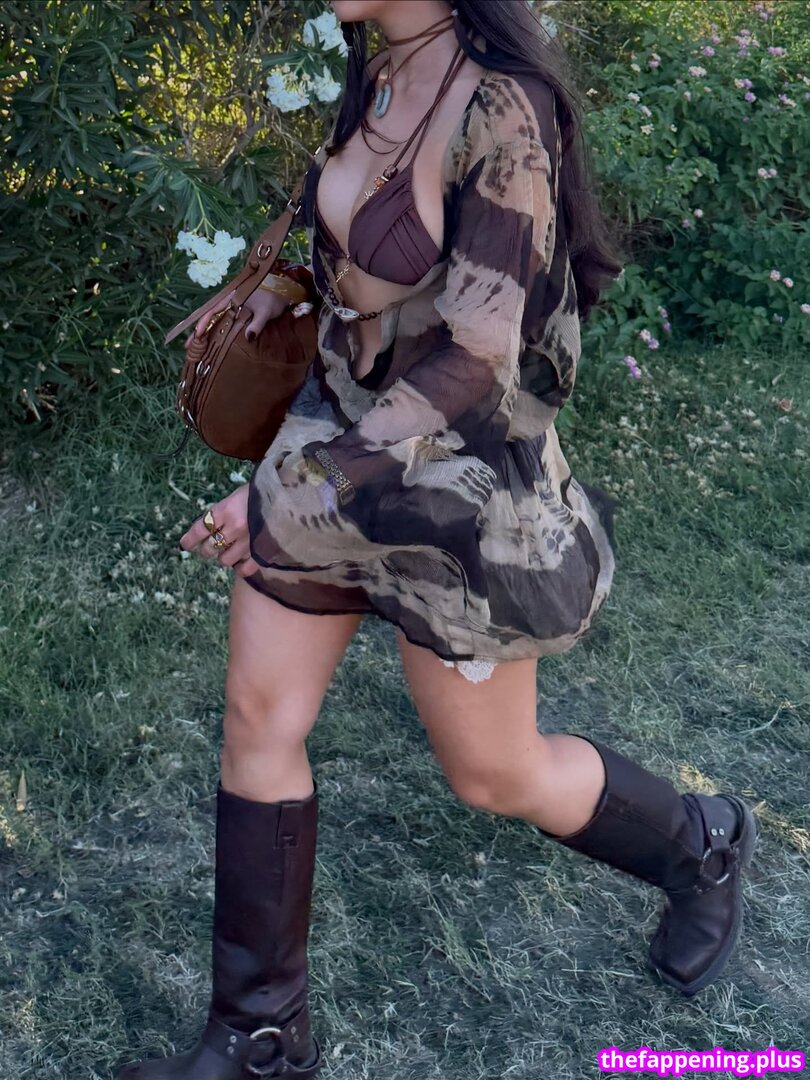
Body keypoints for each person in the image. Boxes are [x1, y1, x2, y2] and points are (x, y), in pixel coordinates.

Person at [116, 2, 757, 1077]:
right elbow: (372, 259)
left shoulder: (504, 113)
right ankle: (260, 1037)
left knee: (495, 774)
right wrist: (296, 297)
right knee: (260, 717)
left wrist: (299, 490)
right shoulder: (381, 68)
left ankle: (703, 845)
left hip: (456, 483)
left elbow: (476, 363)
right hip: (338, 430)